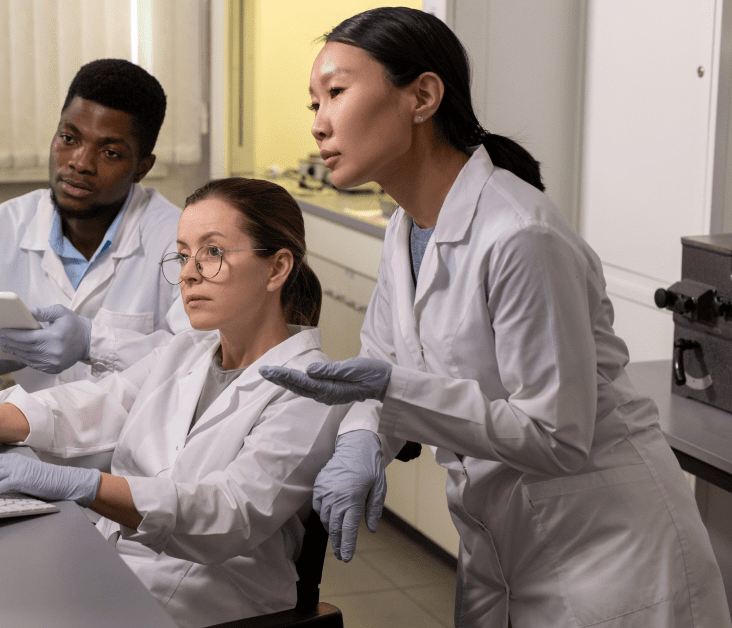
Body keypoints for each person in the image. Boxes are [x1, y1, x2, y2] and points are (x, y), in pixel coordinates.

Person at [259, 7, 732, 627]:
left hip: (612, 553)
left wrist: (390, 388)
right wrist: (362, 442)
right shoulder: (409, 227)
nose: (319, 125)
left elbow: (556, 436)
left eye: (337, 94)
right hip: (499, 544)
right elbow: (382, 361)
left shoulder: (520, 234)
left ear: (423, 96)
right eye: (312, 104)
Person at [0, 178, 344, 628]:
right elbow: (99, 403)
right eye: (182, 255)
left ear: (276, 269)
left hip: (211, 602)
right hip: (119, 568)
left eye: (212, 253)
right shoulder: (188, 351)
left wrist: (85, 486)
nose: (188, 273)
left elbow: (229, 513)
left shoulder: (310, 389)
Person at [0, 58, 189, 395]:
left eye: (110, 153)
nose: (79, 162)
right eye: (68, 138)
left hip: (132, 444)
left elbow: (205, 358)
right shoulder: (6, 226)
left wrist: (95, 343)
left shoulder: (181, 242)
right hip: (30, 434)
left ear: (141, 168)